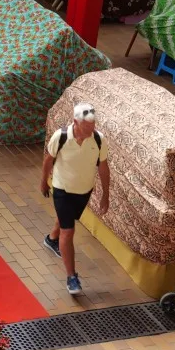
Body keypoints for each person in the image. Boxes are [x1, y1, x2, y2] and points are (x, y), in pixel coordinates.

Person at [41, 101, 110, 297]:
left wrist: (106, 194)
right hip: (62, 189)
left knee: (67, 221)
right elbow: (49, 159)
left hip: (84, 191)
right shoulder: (61, 137)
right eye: (87, 126)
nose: (91, 129)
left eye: (93, 125)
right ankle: (71, 277)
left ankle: (51, 239)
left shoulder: (98, 139)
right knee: (69, 231)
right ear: (75, 122)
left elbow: (103, 167)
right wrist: (43, 182)